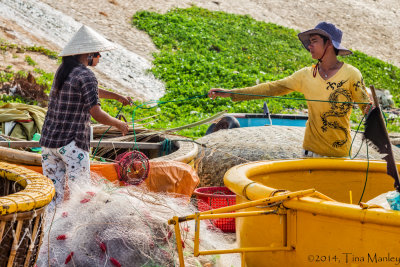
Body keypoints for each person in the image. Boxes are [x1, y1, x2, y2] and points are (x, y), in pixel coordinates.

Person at [208, 22, 371, 158]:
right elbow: (272, 88)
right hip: (311, 153)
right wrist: (231, 93)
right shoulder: (306, 75)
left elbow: (368, 109)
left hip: (340, 155)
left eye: (314, 41)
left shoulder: (351, 74)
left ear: (328, 43)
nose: (309, 46)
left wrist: (375, 117)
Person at [40, 25, 132, 208]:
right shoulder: (86, 74)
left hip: (49, 144)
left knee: (52, 199)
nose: (100, 57)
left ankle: (48, 234)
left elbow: (90, 90)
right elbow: (96, 113)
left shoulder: (63, 70)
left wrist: (117, 96)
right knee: (80, 198)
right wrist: (119, 125)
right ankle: (73, 235)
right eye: (97, 53)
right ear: (88, 54)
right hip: (72, 144)